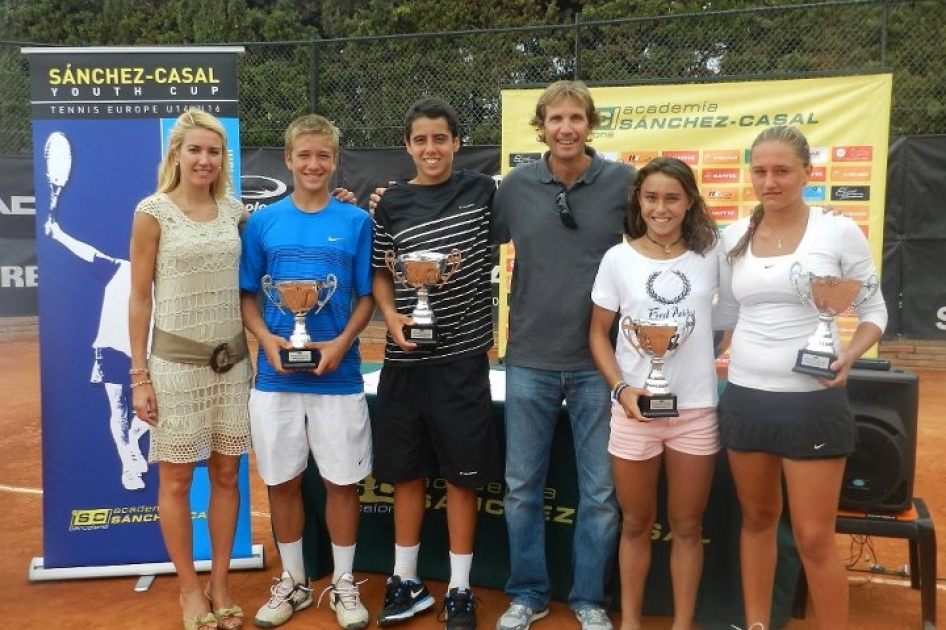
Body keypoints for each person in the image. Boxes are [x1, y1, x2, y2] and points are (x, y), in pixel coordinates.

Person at [716, 125, 887, 630]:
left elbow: (874, 309)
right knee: (757, 521)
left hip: (812, 401)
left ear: (807, 174)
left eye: (782, 171)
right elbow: (725, 314)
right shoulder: (734, 236)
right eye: (761, 170)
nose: (770, 181)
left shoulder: (837, 230)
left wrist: (850, 355)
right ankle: (756, 625)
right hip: (745, 397)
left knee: (813, 538)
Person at [491, 80, 632, 630]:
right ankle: (527, 594)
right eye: (556, 119)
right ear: (541, 127)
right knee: (522, 487)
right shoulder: (516, 186)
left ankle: (589, 599)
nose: (566, 128)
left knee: (600, 491)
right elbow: (473, 236)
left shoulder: (624, 183)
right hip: (528, 358)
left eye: (576, 118)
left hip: (604, 362)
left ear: (589, 124)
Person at [239, 114, 374, 630]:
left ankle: (342, 582)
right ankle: (294, 581)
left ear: (334, 160)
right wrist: (268, 340)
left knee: (342, 483)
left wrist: (341, 343)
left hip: (338, 379)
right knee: (282, 481)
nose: (313, 164)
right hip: (275, 379)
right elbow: (249, 295)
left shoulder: (356, 222)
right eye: (304, 155)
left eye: (323, 155)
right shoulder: (263, 222)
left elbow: (366, 297)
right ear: (289, 160)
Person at [371, 98, 501, 630]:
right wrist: (392, 319)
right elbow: (381, 271)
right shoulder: (390, 204)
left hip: (462, 360)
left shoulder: (484, 193)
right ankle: (406, 581)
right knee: (405, 475)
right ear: (407, 146)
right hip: (404, 361)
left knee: (461, 479)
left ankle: (461, 589)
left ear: (456, 144)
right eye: (421, 140)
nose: (431, 148)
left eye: (440, 139)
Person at [589, 157, 727, 630]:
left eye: (672, 197)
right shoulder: (617, 259)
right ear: (638, 202)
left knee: (688, 526)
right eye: (651, 197)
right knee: (634, 524)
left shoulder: (711, 254)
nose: (661, 208)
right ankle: (629, 623)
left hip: (695, 411)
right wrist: (623, 390)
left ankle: (682, 624)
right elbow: (597, 335)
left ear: (689, 201)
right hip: (633, 414)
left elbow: (727, 318)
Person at [129, 108, 252, 630]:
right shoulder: (152, 212)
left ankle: (220, 581)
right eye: (195, 149)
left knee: (227, 474)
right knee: (177, 480)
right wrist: (139, 375)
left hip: (233, 365)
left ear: (223, 159)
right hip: (175, 368)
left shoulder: (236, 212)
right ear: (177, 153)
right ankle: (187, 590)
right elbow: (139, 300)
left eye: (214, 151)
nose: (205, 159)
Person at [45, 212, 150, 491]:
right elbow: (86, 252)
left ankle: (131, 440)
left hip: (150, 353)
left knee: (154, 413)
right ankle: (128, 466)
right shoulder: (117, 268)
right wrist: (58, 234)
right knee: (118, 408)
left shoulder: (167, 278)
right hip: (112, 348)